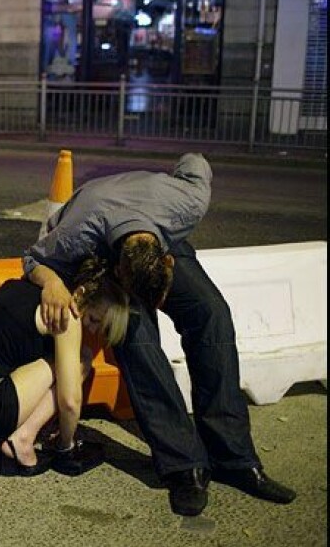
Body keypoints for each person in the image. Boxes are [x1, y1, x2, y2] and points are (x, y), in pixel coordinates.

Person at [23, 152, 296, 516]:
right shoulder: (78, 234)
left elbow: (194, 160)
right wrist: (52, 282)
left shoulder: (187, 203)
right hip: (103, 237)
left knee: (211, 312)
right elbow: (32, 258)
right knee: (136, 334)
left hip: (155, 222)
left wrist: (162, 179)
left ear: (167, 260)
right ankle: (184, 465)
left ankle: (234, 458)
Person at [0, 257, 130, 477]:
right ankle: (23, 439)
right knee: (81, 359)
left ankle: (20, 435)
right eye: (93, 319)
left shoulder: (28, 286)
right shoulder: (67, 315)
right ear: (79, 293)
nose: (91, 330)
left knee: (64, 357)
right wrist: (65, 446)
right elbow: (71, 402)